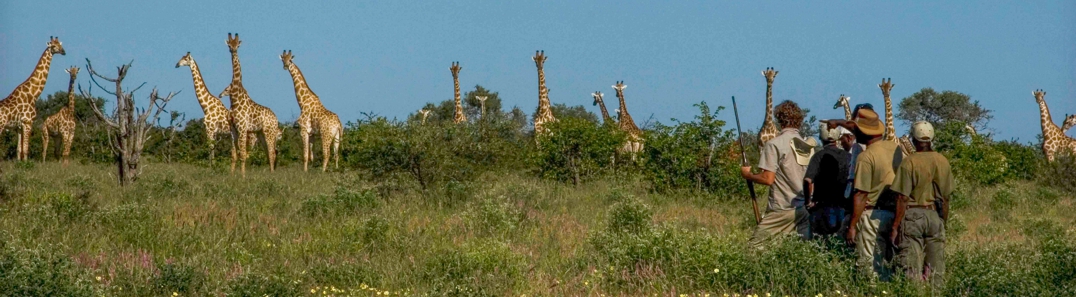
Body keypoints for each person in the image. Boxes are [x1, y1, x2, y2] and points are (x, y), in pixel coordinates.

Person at [741, 100, 810, 248]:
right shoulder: (806, 145)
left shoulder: (774, 144)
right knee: (798, 252)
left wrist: (748, 175)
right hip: (803, 209)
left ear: (779, 119)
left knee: (753, 249)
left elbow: (768, 179)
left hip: (781, 208)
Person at [890, 121, 953, 286]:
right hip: (934, 216)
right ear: (932, 138)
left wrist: (895, 226)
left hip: (912, 216)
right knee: (936, 270)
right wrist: (942, 222)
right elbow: (946, 198)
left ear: (913, 138)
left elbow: (902, 198)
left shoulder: (909, 162)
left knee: (911, 268)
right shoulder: (942, 160)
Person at [845, 108, 900, 280]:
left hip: (872, 216)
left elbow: (861, 194)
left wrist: (852, 225)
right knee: (891, 266)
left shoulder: (866, 157)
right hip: (897, 213)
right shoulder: (896, 149)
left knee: (871, 269)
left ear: (862, 132)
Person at [804, 123, 852, 238]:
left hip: (823, 209)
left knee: (821, 246)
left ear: (821, 138)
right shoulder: (848, 157)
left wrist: (807, 202)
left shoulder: (818, 156)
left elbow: (807, 180)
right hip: (844, 209)